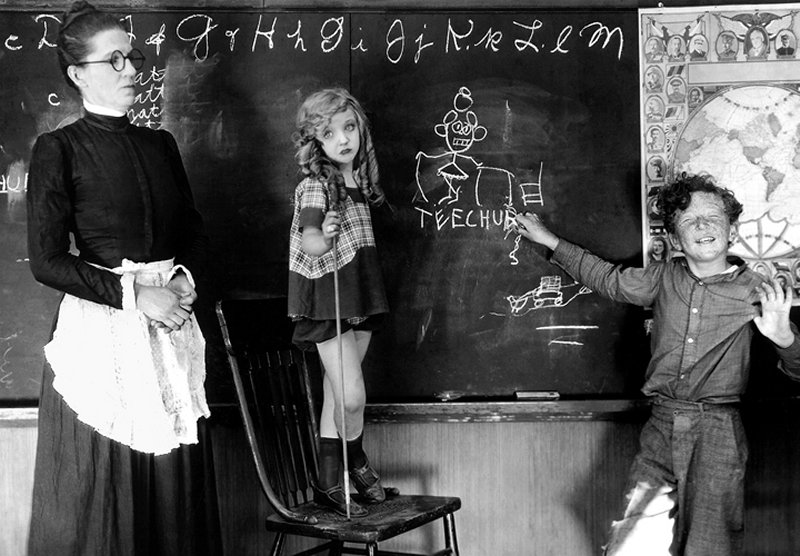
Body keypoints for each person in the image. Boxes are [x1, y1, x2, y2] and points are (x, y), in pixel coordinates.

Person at [515, 173, 800, 555]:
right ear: (676, 239)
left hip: (718, 430)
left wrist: (783, 337)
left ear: (731, 230)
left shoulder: (757, 291)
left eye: (713, 217)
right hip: (662, 424)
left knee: (710, 546)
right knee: (631, 543)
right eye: (689, 220)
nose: (702, 225)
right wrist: (550, 241)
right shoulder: (663, 278)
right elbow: (608, 279)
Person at [26, 2, 221, 554]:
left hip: (170, 329)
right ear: (78, 74)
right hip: (104, 337)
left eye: (132, 56)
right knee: (107, 501)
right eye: (114, 60)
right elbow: (46, 261)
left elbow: (195, 232)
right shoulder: (58, 149)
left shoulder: (161, 144)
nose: (132, 68)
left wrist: (182, 279)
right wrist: (137, 295)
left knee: (173, 499)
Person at [288, 87, 395, 517]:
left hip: (359, 294)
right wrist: (326, 235)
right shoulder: (316, 186)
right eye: (329, 134)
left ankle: (328, 480)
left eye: (349, 128)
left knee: (338, 392)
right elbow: (311, 241)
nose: (343, 140)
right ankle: (356, 459)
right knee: (351, 398)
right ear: (316, 142)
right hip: (327, 300)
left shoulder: (360, 184)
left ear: (360, 129)